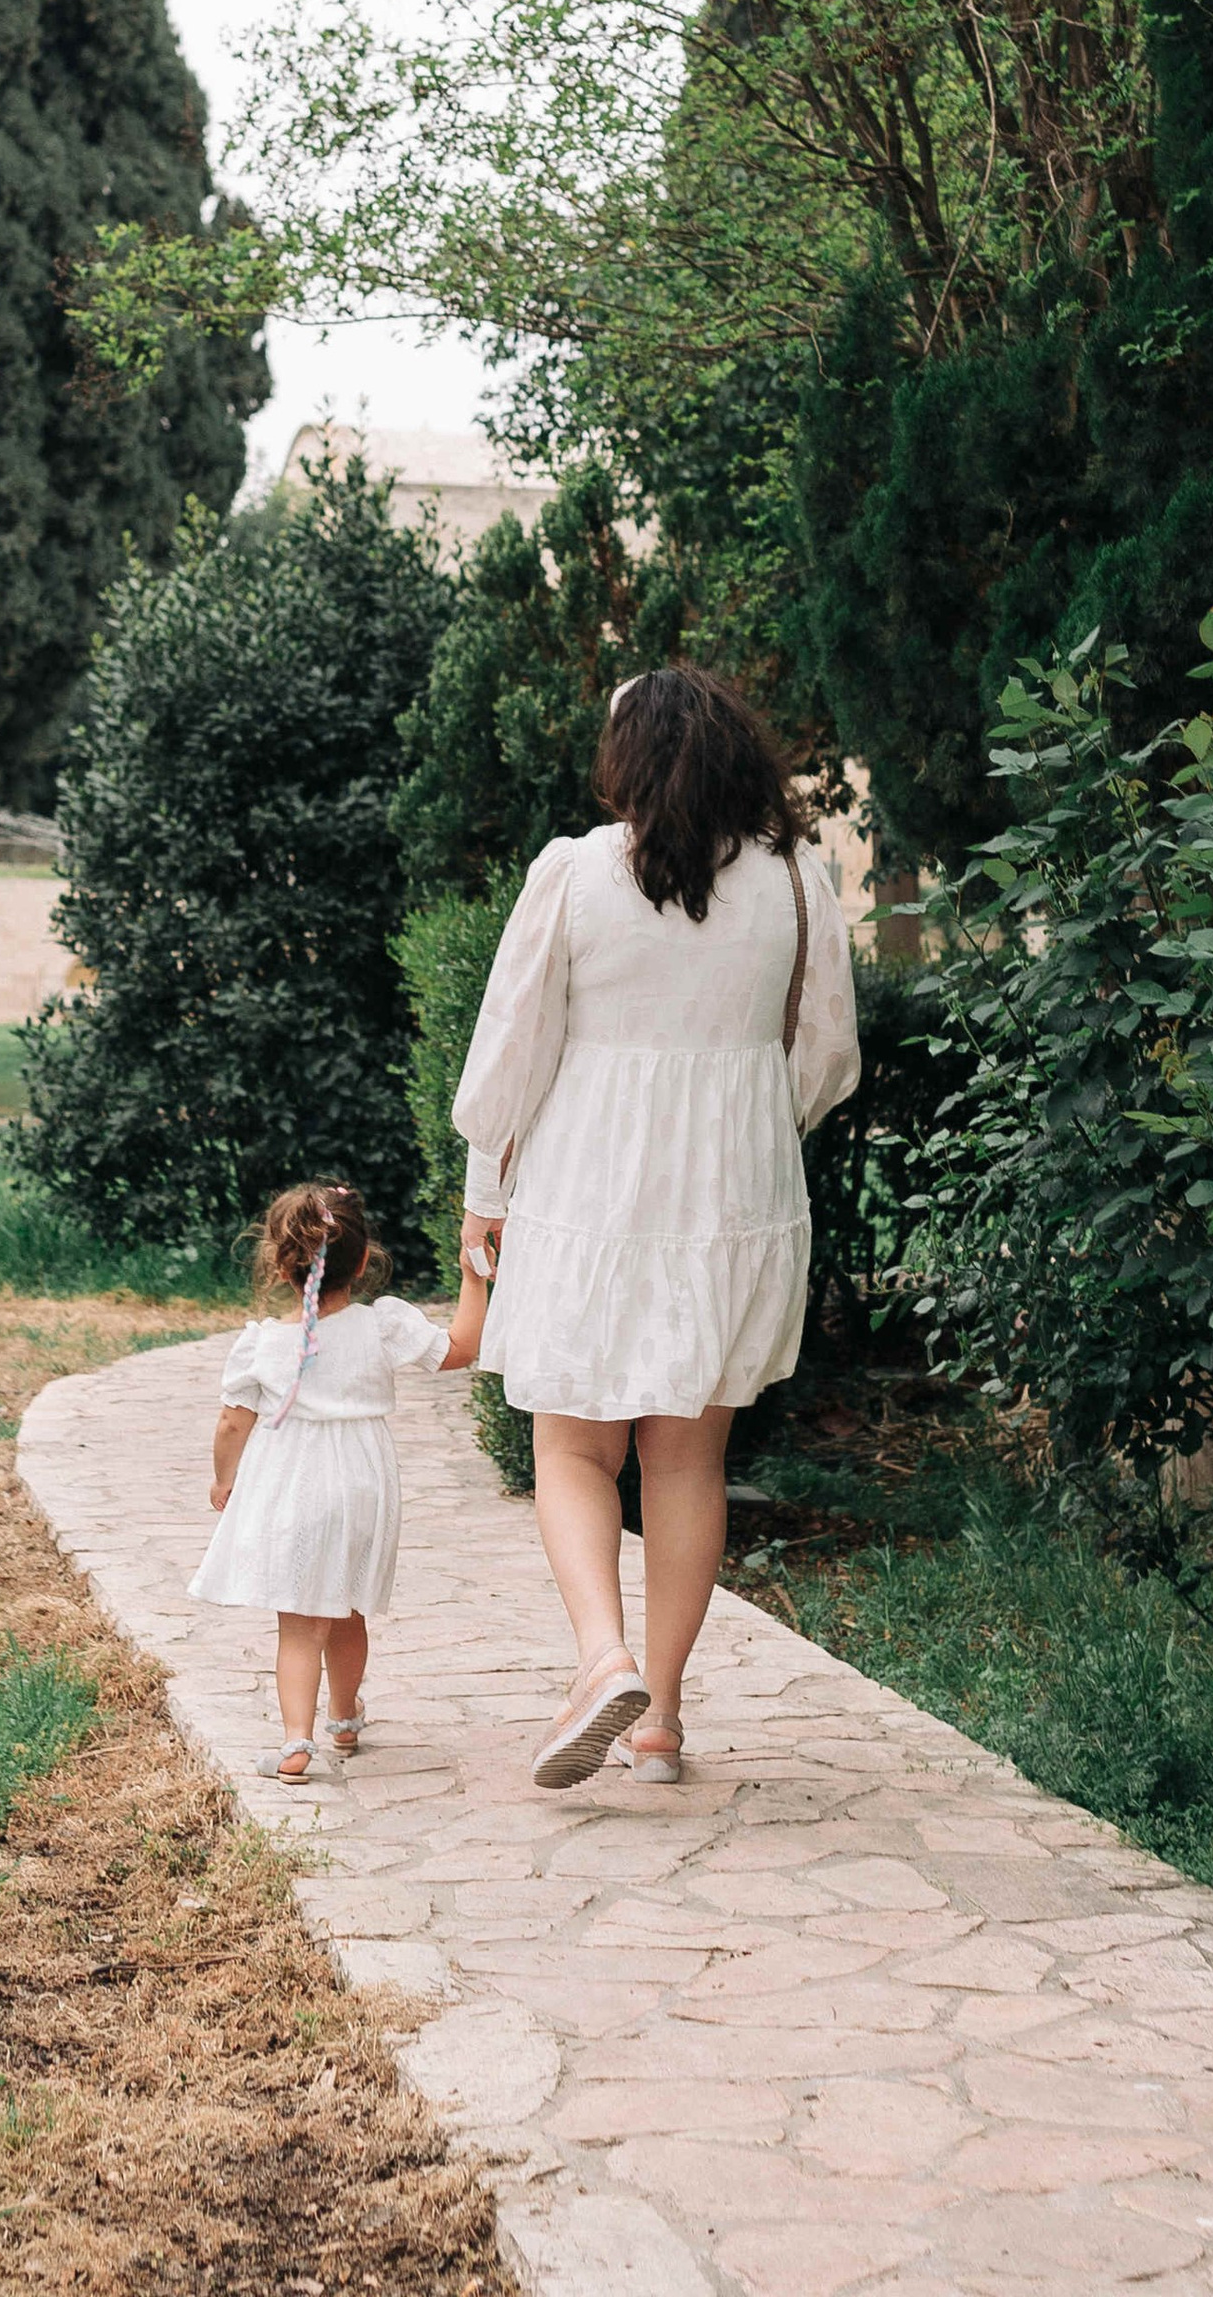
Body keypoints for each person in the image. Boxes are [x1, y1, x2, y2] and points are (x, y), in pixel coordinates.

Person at [452, 664, 859, 1788]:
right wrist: (751, 1120)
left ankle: (602, 1659)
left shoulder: (576, 871)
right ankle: (662, 1719)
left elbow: (512, 1046)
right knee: (689, 1458)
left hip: (589, 1186)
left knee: (575, 1446)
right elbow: (827, 1055)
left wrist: (486, 1188)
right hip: (733, 1194)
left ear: (625, 759)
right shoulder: (793, 879)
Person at [195, 1178, 492, 1780]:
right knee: (347, 1604)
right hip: (364, 1483)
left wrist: (224, 1479)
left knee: (300, 1621)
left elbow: (232, 1423)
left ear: (280, 1265)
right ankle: (344, 1718)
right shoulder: (382, 1325)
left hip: (295, 1485)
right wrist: (472, 1278)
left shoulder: (263, 1344)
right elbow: (459, 1349)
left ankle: (295, 1743)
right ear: (361, 1262)